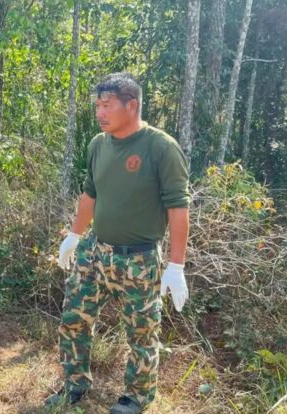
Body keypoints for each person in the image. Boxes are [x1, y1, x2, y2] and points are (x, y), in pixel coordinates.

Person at [46, 72, 191, 414]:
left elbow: (178, 209)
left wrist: (176, 266)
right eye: (97, 105)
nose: (100, 112)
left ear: (132, 105)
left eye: (107, 105)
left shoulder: (161, 148)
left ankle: (136, 397)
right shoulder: (98, 144)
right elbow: (89, 193)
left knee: (142, 333)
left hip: (138, 259)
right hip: (95, 251)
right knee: (74, 318)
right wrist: (74, 236)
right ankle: (74, 384)